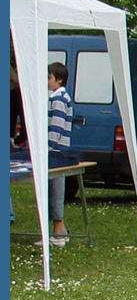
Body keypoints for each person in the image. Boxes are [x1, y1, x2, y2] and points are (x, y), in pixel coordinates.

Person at [46, 61, 74, 244]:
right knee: (54, 190)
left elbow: (56, 127)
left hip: (56, 151)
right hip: (58, 150)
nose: (47, 81)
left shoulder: (58, 99)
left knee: (56, 190)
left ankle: (58, 232)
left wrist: (47, 147)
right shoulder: (60, 98)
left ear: (59, 79)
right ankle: (60, 230)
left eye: (49, 77)